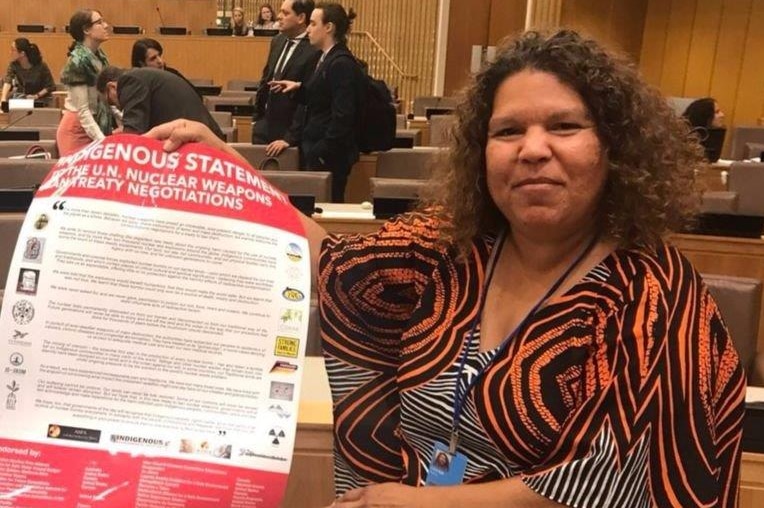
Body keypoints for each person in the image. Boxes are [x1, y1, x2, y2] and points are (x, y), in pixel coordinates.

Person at [146, 28, 745, 507]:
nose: (533, 148)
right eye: (508, 130)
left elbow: (621, 479)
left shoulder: (659, 295)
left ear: (614, 147)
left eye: (564, 126)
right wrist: (222, 161)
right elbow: (333, 262)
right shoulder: (449, 249)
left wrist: (416, 503)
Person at [270, 2, 365, 202]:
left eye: (313, 24)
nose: (308, 29)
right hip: (317, 151)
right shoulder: (325, 58)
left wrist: (321, 151)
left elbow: (343, 116)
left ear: (328, 27)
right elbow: (322, 98)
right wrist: (299, 89)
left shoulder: (341, 63)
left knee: (327, 209)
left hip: (329, 158)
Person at [251, 0, 320, 157]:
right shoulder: (278, 40)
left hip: (289, 136)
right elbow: (265, 80)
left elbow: (307, 99)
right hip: (263, 129)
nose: (279, 17)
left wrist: (290, 138)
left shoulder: (314, 48)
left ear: (301, 17)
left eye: (285, 13)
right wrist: (256, 120)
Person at [96, 66, 224, 140]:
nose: (117, 107)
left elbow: (133, 135)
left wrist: (112, 142)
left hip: (196, 141)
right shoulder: (142, 77)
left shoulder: (129, 81)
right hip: (203, 136)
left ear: (112, 87)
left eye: (111, 102)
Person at [56, 9, 114, 156]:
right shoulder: (77, 61)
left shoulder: (100, 57)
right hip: (77, 131)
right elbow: (83, 111)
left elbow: (105, 98)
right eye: (100, 22)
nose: (106, 25)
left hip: (94, 125)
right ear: (86, 30)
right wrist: (102, 142)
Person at [0, 38, 56, 105]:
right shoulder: (13, 65)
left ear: (22, 53)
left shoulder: (41, 66)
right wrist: (3, 98)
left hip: (41, 101)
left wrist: (36, 96)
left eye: (13, 50)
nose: (10, 52)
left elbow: (50, 86)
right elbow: (8, 81)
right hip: (23, 100)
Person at [130, 38, 197, 93]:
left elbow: (195, 95)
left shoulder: (172, 75)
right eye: (153, 59)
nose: (160, 61)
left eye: (159, 55)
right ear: (141, 64)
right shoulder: (135, 84)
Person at [682, 97, 726, 162]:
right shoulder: (683, 136)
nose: (722, 115)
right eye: (717, 112)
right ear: (705, 116)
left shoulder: (717, 134)